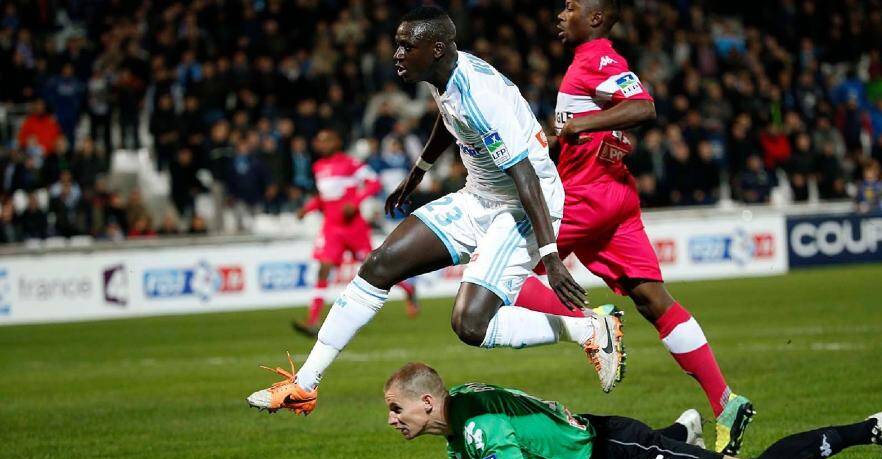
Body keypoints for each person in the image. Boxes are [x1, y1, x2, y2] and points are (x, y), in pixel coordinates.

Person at [247, 6, 624, 417]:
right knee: (380, 264)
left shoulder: (481, 96)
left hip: (522, 205)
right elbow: (449, 119)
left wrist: (550, 257)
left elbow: (526, 176)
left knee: (470, 325)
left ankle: (589, 327)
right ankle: (305, 384)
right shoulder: (443, 77)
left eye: (407, 46)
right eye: (398, 44)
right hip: (478, 196)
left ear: (437, 48)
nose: (397, 54)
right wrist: (418, 173)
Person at [507, 0, 753, 454]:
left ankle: (590, 323)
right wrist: (579, 129)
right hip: (616, 196)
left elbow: (642, 107)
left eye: (571, 7)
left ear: (596, 18)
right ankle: (726, 402)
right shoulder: (591, 65)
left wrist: (583, 123)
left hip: (583, 197)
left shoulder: (597, 57)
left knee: (504, 274)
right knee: (653, 299)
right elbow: (608, 119)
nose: (560, 13)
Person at [384, 363, 882, 459]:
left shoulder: (479, 427)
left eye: (396, 408)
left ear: (427, 401)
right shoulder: (459, 424)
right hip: (592, 455)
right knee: (667, 455)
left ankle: (871, 427)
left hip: (612, 454)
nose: (391, 418)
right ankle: (678, 432)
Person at [291, 128, 418, 337]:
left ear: (336, 142)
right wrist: (308, 208)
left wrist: (355, 201)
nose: (322, 144)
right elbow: (324, 198)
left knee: (374, 267)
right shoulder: (319, 167)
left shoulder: (351, 164)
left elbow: (374, 183)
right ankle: (313, 320)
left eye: (326, 140)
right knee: (323, 269)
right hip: (331, 228)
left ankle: (409, 290)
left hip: (353, 227)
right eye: (319, 141)